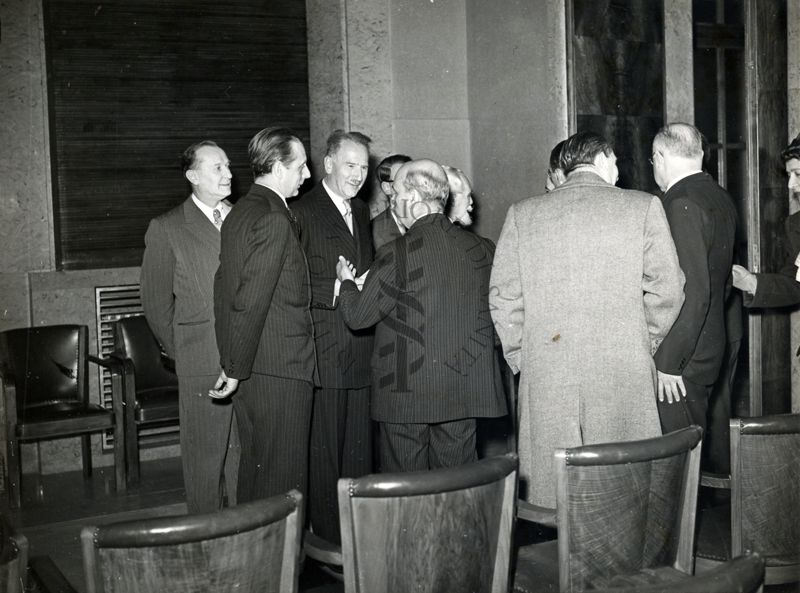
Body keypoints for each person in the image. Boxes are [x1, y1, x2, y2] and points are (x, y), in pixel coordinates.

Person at [490, 131, 685, 508]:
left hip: (548, 372)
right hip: (621, 369)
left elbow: (503, 298)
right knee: (624, 490)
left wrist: (522, 357)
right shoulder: (643, 206)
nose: (618, 171)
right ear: (602, 158)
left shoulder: (524, 213)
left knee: (555, 497)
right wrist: (643, 339)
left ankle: (564, 564)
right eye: (615, 163)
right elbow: (669, 288)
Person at [336, 159, 507, 473]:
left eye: (395, 196)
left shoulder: (395, 252)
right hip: (463, 394)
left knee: (409, 497)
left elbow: (359, 317)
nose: (393, 204)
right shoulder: (482, 249)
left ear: (413, 198)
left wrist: (346, 283)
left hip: (405, 399)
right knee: (456, 488)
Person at [211, 127, 315, 503]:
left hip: (252, 368)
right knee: (283, 483)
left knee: (256, 473)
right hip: (281, 370)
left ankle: (254, 559)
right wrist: (235, 366)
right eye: (301, 166)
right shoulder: (273, 217)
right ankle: (280, 563)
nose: (307, 175)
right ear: (276, 166)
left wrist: (233, 364)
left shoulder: (240, 213)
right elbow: (251, 299)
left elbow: (224, 292)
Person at [140, 140, 239, 514]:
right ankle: (207, 545)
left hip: (248, 361)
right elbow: (155, 303)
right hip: (202, 363)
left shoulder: (244, 218)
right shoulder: (167, 228)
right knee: (204, 467)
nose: (228, 174)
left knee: (243, 460)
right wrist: (187, 354)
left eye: (228, 166)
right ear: (192, 176)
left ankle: (248, 546)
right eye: (217, 168)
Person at [292, 130, 374, 544]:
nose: (358, 175)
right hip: (325, 348)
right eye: (350, 165)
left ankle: (356, 537)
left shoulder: (360, 211)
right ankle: (328, 541)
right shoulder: (302, 212)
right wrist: (339, 288)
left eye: (363, 167)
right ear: (328, 164)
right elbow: (294, 281)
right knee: (325, 451)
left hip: (361, 347)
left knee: (358, 450)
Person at [650, 123, 737, 435]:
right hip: (708, 347)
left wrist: (670, 362)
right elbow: (721, 285)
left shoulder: (679, 203)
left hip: (684, 360)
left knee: (678, 464)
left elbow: (694, 292)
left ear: (660, 157)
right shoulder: (719, 196)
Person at [731, 133, 800, 308]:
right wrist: (752, 283)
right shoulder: (795, 224)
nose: (790, 184)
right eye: (789, 175)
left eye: (797, 174)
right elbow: (794, 285)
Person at [372, 154, 411, 250]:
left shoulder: (431, 220)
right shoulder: (370, 232)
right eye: (404, 180)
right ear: (387, 188)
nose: (412, 185)